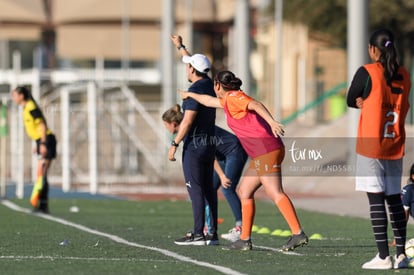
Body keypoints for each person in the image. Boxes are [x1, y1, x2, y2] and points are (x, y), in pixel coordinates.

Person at [179, 70, 308, 251]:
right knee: (244, 191)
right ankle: (244, 239)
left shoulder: (233, 97)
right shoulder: (227, 101)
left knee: (275, 192)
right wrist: (189, 94)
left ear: (217, 85)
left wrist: (271, 122)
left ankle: (297, 233)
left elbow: (254, 104)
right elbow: (207, 101)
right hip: (264, 151)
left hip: (266, 149)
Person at [347, 28, 411, 270]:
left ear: (373, 49)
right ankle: (401, 255)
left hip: (372, 144)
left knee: (375, 200)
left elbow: (351, 98)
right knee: (394, 200)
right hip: (395, 142)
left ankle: (383, 256)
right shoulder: (404, 74)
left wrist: (363, 100)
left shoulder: (368, 71)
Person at [162, 104, 248, 242]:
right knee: (210, 189)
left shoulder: (190, 129)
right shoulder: (187, 129)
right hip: (222, 156)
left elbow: (209, 154)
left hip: (234, 151)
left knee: (227, 188)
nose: (165, 128)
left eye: (166, 125)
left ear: (173, 124)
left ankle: (241, 227)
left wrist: (221, 175)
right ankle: (208, 228)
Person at [168, 35, 218, 245]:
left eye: (188, 67)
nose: (186, 68)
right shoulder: (208, 83)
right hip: (210, 143)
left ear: (192, 70)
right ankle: (212, 233)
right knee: (208, 190)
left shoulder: (194, 91)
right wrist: (180, 47)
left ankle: (198, 234)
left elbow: (187, 122)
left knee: (195, 189)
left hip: (195, 145)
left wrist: (174, 144)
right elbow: (193, 61)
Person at [11, 86, 57, 214]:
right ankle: (41, 205)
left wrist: (42, 143)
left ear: (21, 96)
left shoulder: (31, 107)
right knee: (41, 174)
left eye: (14, 95)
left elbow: (42, 125)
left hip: (46, 140)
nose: (13, 98)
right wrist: (37, 144)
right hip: (41, 141)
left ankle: (43, 205)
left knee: (42, 173)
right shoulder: (26, 107)